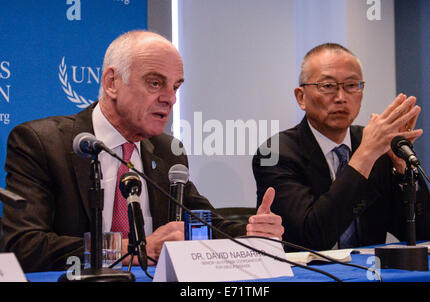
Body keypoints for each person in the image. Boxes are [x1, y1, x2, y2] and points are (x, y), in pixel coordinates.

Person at [2, 30, 284, 273]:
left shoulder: (167, 152)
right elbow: (24, 246)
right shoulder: (41, 143)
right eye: (155, 83)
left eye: (175, 87)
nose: (170, 98)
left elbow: (201, 223)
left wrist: (251, 234)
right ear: (112, 82)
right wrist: (134, 250)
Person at [252, 43, 430, 251]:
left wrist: (403, 171)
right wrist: (364, 156)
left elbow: (423, 234)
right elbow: (311, 237)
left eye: (351, 85)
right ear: (301, 97)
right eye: (328, 86)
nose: (341, 98)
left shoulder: (377, 146)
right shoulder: (275, 153)